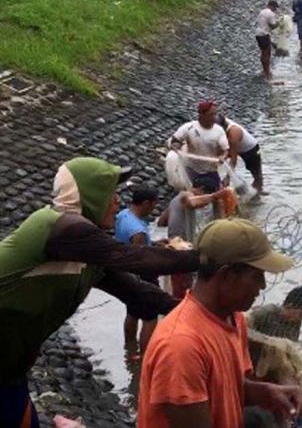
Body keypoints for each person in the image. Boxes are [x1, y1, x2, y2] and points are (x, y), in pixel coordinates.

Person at [0, 158, 199, 428]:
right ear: (89, 196)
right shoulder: (59, 227)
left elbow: (140, 294)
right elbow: (138, 259)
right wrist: (208, 257)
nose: (117, 201)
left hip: (12, 366)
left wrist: (202, 315)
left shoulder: (88, 254)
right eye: (109, 192)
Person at [137, 219, 302, 428]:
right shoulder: (182, 346)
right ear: (227, 275)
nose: (262, 285)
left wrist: (268, 393)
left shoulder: (233, 319)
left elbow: (228, 388)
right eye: (257, 275)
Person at [158, 176, 228, 298]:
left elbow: (161, 222)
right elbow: (192, 202)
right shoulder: (185, 195)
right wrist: (215, 196)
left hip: (172, 246)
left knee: (177, 288)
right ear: (201, 189)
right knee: (184, 290)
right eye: (205, 194)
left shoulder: (175, 200)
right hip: (180, 250)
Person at [115, 184, 161, 355]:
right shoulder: (138, 232)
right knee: (150, 318)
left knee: (132, 312)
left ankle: (130, 348)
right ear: (147, 203)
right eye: (154, 204)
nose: (154, 208)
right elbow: (141, 260)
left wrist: (154, 245)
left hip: (125, 273)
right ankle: (145, 357)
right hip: (142, 277)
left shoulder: (122, 215)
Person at [247, 286, 302, 371]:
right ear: (289, 305)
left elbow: (291, 344)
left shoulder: (295, 322)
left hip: (273, 361)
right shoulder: (266, 312)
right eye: (301, 314)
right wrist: (269, 341)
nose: (301, 318)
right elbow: (244, 329)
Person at [167, 100, 229, 191]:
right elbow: (175, 141)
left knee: (217, 196)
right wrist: (176, 148)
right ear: (201, 114)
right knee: (191, 195)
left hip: (211, 170)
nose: (214, 117)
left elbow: (225, 150)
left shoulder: (219, 130)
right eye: (211, 114)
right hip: (191, 170)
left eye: (215, 114)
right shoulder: (188, 127)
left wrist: (222, 157)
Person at [216, 115, 263, 193]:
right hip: (234, 144)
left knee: (257, 177)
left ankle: (257, 195)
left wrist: (227, 178)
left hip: (250, 150)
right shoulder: (218, 122)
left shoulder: (233, 132)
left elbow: (233, 159)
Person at [256, 0, 280, 77]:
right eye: (275, 8)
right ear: (272, 6)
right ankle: (267, 72)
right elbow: (273, 26)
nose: (275, 10)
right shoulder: (271, 13)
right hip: (264, 34)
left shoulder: (262, 12)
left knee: (263, 53)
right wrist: (279, 22)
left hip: (258, 34)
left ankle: (264, 70)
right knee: (267, 53)